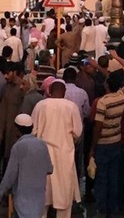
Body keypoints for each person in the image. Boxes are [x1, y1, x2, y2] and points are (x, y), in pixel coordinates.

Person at [32, 80, 83, 218]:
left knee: (43, 190)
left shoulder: (40, 106)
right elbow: (78, 132)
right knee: (64, 189)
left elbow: (34, 130)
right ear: (64, 92)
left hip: (43, 153)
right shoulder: (71, 107)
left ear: (49, 92)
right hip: (64, 154)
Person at [0, 113, 53, 218]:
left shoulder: (18, 147)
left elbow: (9, 176)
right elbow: (49, 169)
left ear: (17, 130)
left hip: (22, 200)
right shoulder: (42, 144)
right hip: (38, 200)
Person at [90, 73, 124, 218]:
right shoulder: (121, 97)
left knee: (102, 178)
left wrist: (93, 147)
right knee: (113, 177)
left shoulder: (102, 102)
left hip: (103, 144)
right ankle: (113, 209)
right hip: (116, 141)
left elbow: (98, 126)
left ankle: (102, 209)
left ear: (107, 85)